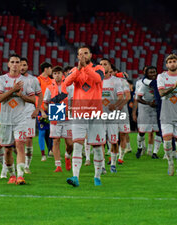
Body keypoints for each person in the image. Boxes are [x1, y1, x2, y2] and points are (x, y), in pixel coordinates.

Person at [64, 46, 106, 187]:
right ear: (77, 57)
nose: (83, 56)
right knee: (77, 145)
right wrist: (78, 69)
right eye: (80, 54)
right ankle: (75, 177)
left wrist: (85, 67)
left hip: (95, 113)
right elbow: (66, 82)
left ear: (91, 55)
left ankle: (97, 177)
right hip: (79, 113)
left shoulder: (99, 68)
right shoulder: (75, 71)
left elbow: (97, 79)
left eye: (85, 53)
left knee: (97, 147)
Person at [0, 54, 35, 185]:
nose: (15, 64)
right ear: (8, 64)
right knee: (7, 150)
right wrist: (13, 90)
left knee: (20, 146)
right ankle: (12, 175)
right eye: (12, 62)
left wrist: (21, 95)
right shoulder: (1, 79)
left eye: (17, 62)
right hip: (5, 119)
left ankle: (21, 176)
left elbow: (33, 99)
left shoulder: (26, 81)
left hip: (21, 120)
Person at [43, 66, 74, 172]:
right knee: (56, 140)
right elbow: (45, 103)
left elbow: (73, 101)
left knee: (70, 143)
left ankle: (67, 155)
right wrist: (50, 111)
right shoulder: (49, 88)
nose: (57, 75)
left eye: (59, 73)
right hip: (55, 117)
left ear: (63, 74)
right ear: (52, 75)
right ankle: (58, 165)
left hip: (68, 118)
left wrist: (70, 110)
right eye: (55, 73)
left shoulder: (70, 86)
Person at [20, 57, 43, 174]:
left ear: (27, 66)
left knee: (28, 139)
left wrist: (37, 110)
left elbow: (40, 95)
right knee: (17, 141)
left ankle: (27, 165)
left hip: (30, 112)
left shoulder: (33, 80)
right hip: (16, 113)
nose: (22, 67)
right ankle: (20, 161)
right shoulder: (12, 79)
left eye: (24, 65)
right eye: (20, 65)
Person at [100, 58, 123, 173]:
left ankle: (113, 163)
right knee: (101, 142)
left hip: (112, 115)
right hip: (99, 115)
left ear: (110, 67)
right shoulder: (96, 80)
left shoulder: (116, 81)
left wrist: (116, 104)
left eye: (105, 64)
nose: (103, 66)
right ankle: (102, 166)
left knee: (113, 141)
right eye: (101, 64)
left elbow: (120, 96)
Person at [135, 66, 162, 159]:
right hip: (145, 110)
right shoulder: (143, 85)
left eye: (154, 72)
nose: (153, 74)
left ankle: (154, 153)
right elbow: (138, 98)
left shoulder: (159, 84)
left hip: (156, 110)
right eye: (150, 72)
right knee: (142, 132)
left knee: (158, 131)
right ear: (146, 74)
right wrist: (148, 103)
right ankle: (139, 147)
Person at [37, 62, 53, 160]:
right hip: (41, 109)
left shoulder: (52, 81)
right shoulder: (38, 80)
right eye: (50, 69)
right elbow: (36, 97)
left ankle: (51, 151)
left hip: (51, 109)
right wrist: (41, 110)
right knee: (42, 132)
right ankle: (43, 155)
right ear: (46, 69)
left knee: (52, 131)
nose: (51, 71)